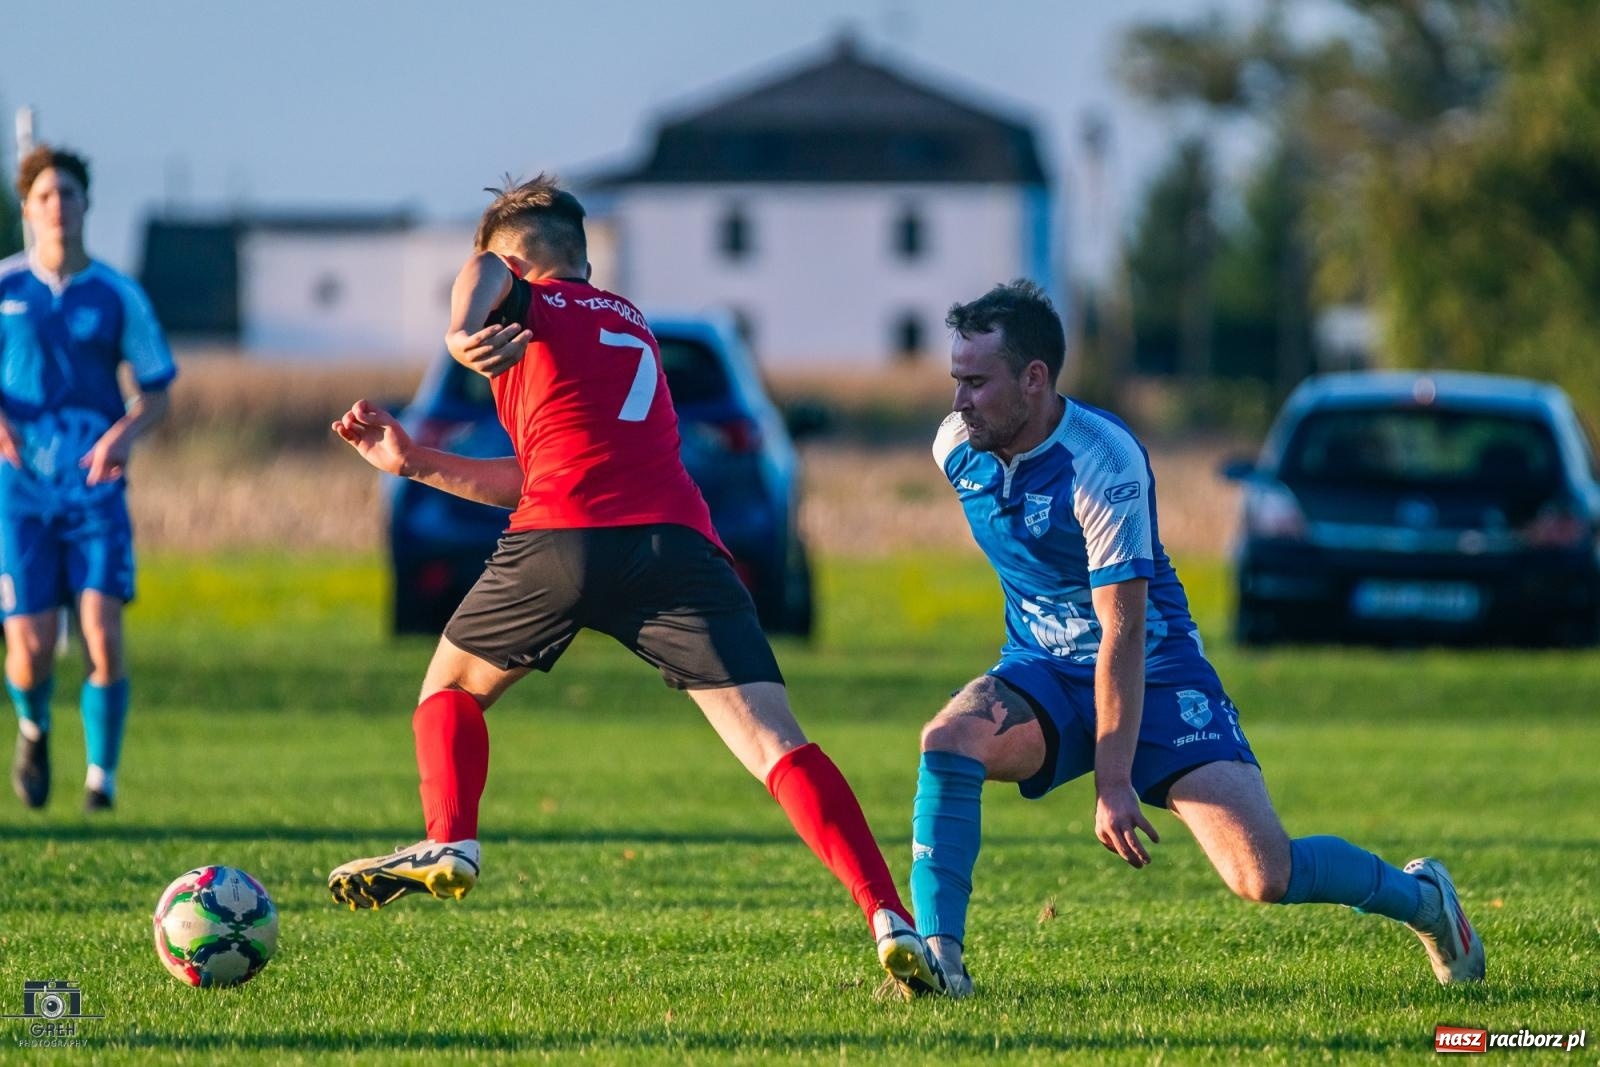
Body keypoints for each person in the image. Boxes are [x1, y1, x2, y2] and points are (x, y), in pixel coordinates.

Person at [326, 174, 940, 996]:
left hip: (562, 542)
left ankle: (452, 839)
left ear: (513, 259)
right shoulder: (634, 325)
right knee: (777, 744)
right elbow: (535, 470)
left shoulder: (518, 296)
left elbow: (482, 282)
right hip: (676, 546)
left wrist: (458, 332)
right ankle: (889, 918)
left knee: (450, 691)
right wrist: (410, 463)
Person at [904, 280, 1485, 998]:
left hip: (1155, 668)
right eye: (955, 379)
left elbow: (1122, 626)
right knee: (947, 741)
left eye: (976, 382)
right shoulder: (956, 447)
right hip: (1041, 669)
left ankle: (1424, 900)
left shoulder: (1102, 459)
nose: (959, 400)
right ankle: (938, 961)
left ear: (1034, 378)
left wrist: (1114, 780)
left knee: (1264, 874)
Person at [2, 145, 175, 812]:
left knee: (102, 631)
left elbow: (156, 390)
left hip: (95, 491)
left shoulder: (116, 293)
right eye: (45, 195)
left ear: (85, 204)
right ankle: (34, 726)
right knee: (34, 648)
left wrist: (120, 435)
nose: (58, 206)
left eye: (68, 193)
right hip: (20, 493)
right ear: (28, 208)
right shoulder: (7, 289)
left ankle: (100, 780)